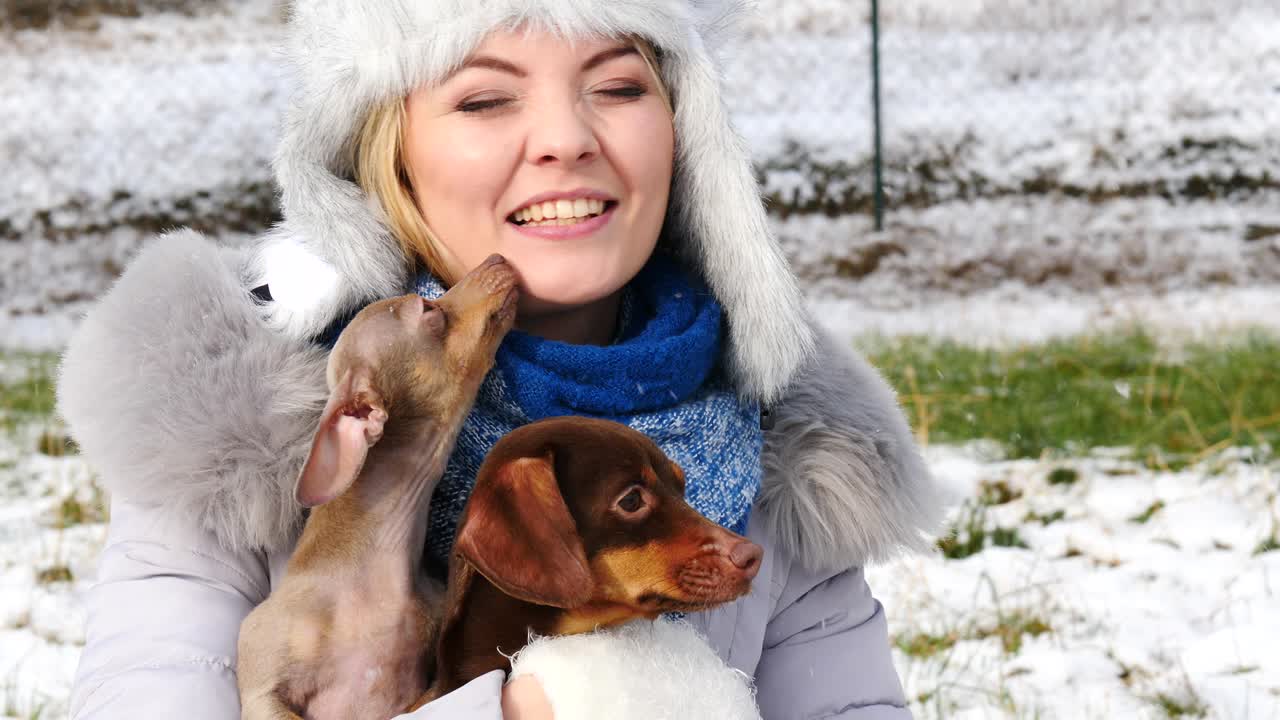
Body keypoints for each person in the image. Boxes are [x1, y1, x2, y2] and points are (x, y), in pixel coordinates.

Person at [57, 1, 942, 718]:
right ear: (388, 154)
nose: (566, 138)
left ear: (688, 136)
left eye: (621, 86)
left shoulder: (783, 451)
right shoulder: (238, 432)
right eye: (484, 99)